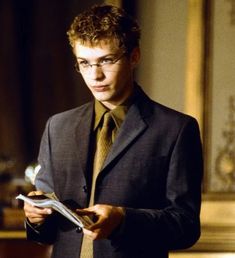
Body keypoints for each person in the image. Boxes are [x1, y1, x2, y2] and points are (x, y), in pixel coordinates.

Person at [23, 4, 203, 258]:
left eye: (106, 60)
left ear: (134, 56)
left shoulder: (176, 129)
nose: (95, 75)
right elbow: (46, 231)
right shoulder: (57, 126)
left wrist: (123, 219)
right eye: (84, 63)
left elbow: (186, 226)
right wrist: (35, 218)